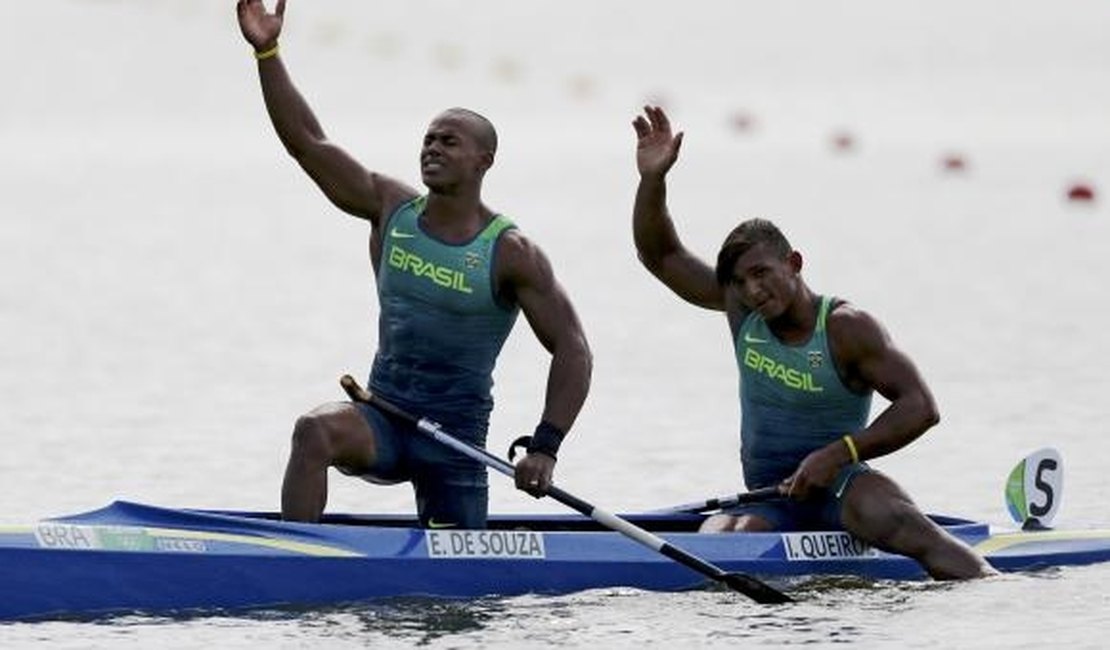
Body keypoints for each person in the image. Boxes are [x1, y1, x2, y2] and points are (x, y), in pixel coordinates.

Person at [235, 0, 592, 529]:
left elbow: (573, 349)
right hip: (383, 414)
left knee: (464, 595)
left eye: (449, 141)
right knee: (313, 430)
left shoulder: (511, 252)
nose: (433, 148)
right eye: (427, 139)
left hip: (454, 438)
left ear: (483, 161)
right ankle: (298, 555)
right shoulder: (389, 207)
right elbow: (308, 144)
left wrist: (545, 447)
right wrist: (267, 50)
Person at [630, 105, 995, 579]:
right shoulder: (744, 310)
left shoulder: (845, 327)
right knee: (718, 545)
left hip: (844, 490)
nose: (752, 290)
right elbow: (659, 254)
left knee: (902, 524)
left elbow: (921, 406)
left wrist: (839, 453)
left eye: (762, 274)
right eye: (740, 282)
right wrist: (652, 180)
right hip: (770, 497)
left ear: (795, 264)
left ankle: (991, 586)